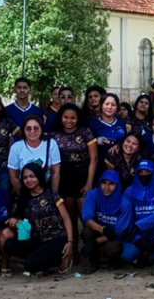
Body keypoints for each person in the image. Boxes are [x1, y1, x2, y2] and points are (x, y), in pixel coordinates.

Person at [3, 163, 74, 277]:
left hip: (57, 239)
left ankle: (61, 261)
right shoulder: (24, 199)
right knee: (9, 246)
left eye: (32, 176)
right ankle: (44, 262)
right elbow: (14, 218)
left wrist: (70, 242)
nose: (28, 180)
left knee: (29, 265)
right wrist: (15, 222)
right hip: (38, 240)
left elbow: (66, 218)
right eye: (25, 178)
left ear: (39, 176)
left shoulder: (51, 194)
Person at [50, 103, 98, 261]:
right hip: (64, 179)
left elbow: (94, 158)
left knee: (86, 217)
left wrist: (89, 182)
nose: (69, 120)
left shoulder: (86, 132)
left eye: (72, 118)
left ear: (78, 118)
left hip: (83, 178)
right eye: (66, 117)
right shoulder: (54, 134)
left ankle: (92, 253)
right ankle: (74, 254)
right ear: (61, 118)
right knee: (70, 219)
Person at [80, 170, 133, 273]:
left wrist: (95, 242)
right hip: (99, 231)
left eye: (111, 184)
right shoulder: (92, 195)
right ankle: (93, 259)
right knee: (86, 232)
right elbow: (87, 218)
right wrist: (102, 229)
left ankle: (114, 260)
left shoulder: (125, 204)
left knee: (112, 248)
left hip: (114, 238)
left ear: (117, 185)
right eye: (104, 183)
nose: (106, 187)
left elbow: (118, 232)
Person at [123, 160, 154, 274]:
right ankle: (141, 256)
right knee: (128, 254)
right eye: (140, 172)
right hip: (137, 233)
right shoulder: (129, 191)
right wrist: (136, 237)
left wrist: (140, 225)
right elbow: (126, 216)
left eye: (147, 172)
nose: (144, 175)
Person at [7, 115, 61, 195]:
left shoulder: (51, 143)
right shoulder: (16, 147)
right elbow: (14, 177)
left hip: (47, 188)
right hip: (25, 189)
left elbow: (55, 173)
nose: (32, 131)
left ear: (41, 129)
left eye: (36, 128)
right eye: (28, 128)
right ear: (24, 130)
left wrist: (53, 196)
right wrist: (22, 197)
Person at [89, 93, 128, 172]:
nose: (110, 107)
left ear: (117, 107)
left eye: (113, 105)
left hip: (120, 166)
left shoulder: (121, 122)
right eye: (107, 104)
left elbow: (126, 139)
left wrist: (119, 145)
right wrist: (96, 141)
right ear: (101, 105)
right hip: (100, 166)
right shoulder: (93, 124)